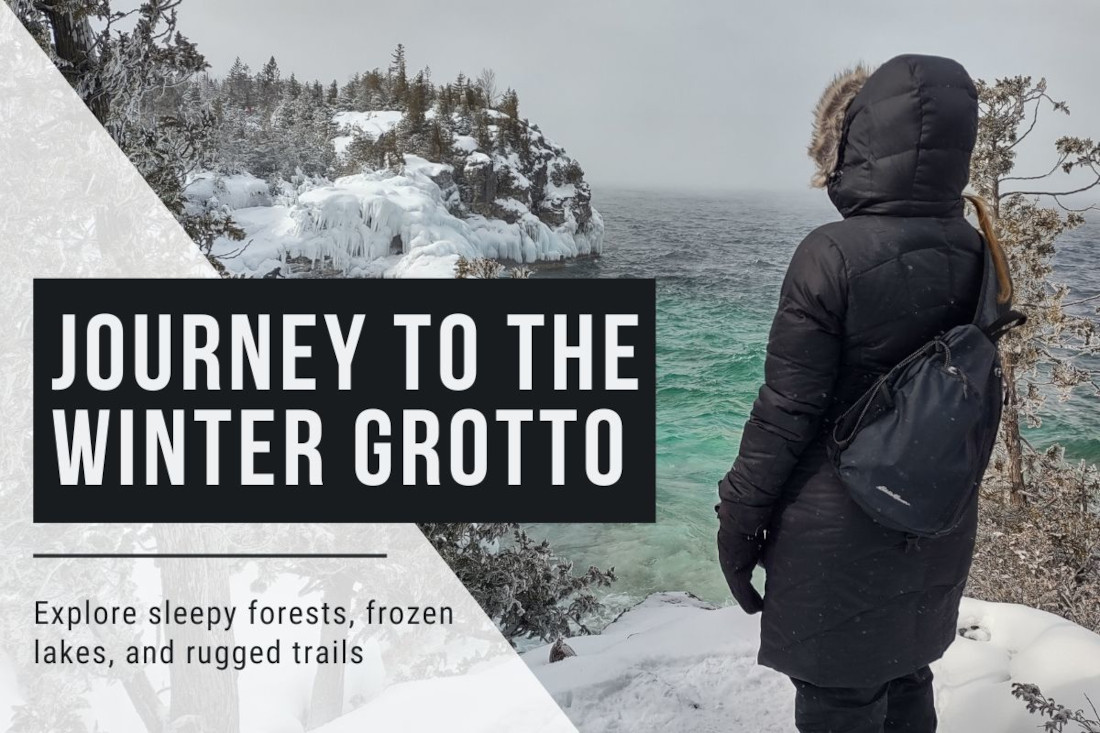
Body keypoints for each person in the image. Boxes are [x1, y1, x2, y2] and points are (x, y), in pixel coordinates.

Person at [715, 54, 1015, 733]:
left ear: (853, 146)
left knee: (841, 703)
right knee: (908, 680)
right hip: (933, 525)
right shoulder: (979, 252)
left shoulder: (830, 255)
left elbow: (784, 414)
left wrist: (736, 527)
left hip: (836, 547)